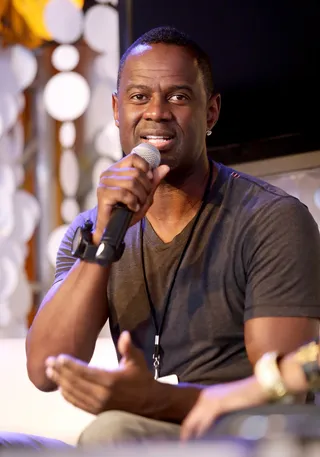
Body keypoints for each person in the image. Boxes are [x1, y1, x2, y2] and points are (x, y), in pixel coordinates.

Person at [1, 25, 320, 449]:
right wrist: (104, 239)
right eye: (138, 97)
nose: (156, 112)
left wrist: (153, 401)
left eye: (178, 96)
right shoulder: (95, 228)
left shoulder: (270, 218)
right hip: (144, 436)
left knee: (113, 431)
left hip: (236, 437)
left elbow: (281, 400)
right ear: (116, 109)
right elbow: (46, 369)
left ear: (211, 113)